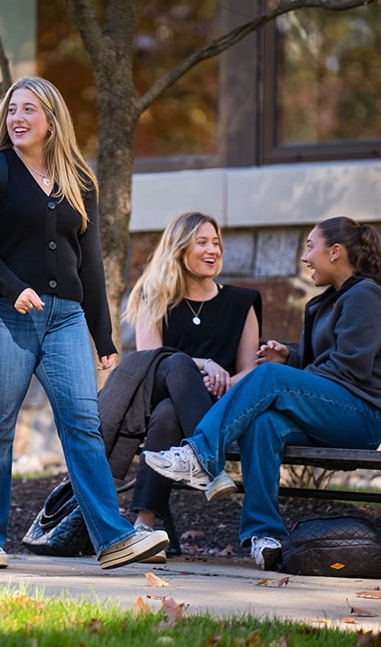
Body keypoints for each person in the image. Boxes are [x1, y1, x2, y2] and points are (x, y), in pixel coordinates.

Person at [0, 76, 169, 570]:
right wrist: (14, 287)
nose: (18, 119)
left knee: (83, 424)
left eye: (30, 110)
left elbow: (89, 262)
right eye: (12, 110)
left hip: (67, 317)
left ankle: (112, 537)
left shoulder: (79, 179)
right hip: (2, 312)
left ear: (53, 120)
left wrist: (102, 333)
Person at [143, 216, 381, 570]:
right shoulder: (325, 302)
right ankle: (265, 535)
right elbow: (326, 362)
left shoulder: (366, 295)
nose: (305, 257)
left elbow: (352, 369)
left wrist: (287, 375)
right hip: (330, 411)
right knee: (264, 423)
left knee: (269, 377)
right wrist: (291, 358)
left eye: (311, 247)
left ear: (336, 251)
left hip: (360, 416)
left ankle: (201, 453)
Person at [121, 211, 261, 561]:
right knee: (175, 378)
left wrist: (223, 380)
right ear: (180, 249)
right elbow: (151, 361)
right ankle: (212, 468)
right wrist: (203, 364)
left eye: (216, 243)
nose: (212, 249)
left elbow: (249, 372)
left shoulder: (241, 303)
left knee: (169, 416)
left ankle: (144, 526)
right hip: (164, 391)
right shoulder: (155, 298)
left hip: (221, 406)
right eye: (202, 242)